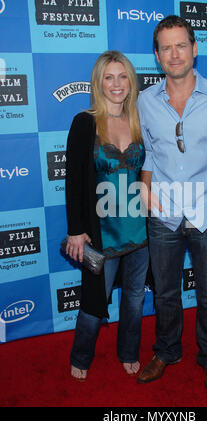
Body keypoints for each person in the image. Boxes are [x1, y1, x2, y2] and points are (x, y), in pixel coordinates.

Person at [137, 16, 207, 396]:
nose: (174, 54)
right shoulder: (145, 101)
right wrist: (147, 195)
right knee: (165, 292)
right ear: (157, 55)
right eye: (166, 47)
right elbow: (149, 155)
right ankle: (166, 352)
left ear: (194, 49)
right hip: (162, 215)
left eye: (181, 45)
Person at [65, 50, 149, 381]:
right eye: (108, 77)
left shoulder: (140, 120)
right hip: (103, 232)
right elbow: (72, 181)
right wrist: (76, 231)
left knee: (134, 300)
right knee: (92, 304)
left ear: (131, 81)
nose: (116, 84)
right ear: (99, 83)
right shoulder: (85, 122)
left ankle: (129, 351)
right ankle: (81, 355)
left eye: (122, 76)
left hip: (141, 231)